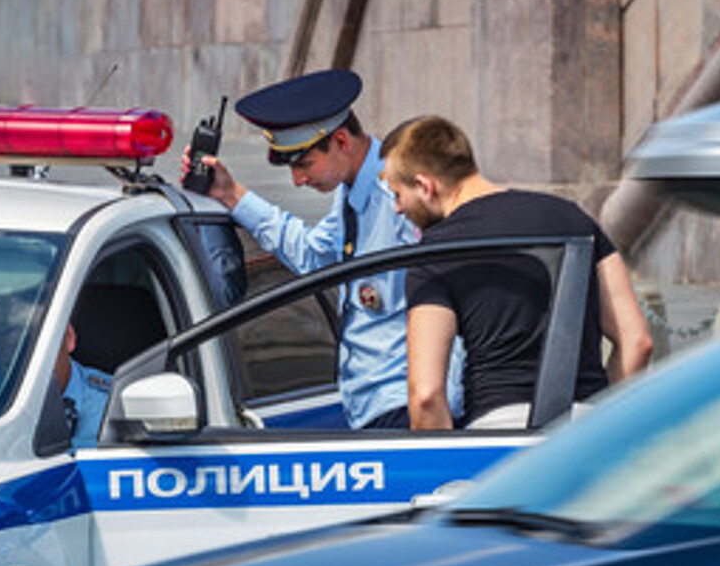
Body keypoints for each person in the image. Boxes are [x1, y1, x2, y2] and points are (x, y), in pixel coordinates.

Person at [182, 69, 462, 429]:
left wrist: (438, 423)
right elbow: (315, 256)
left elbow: (455, 301)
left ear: (342, 141)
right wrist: (230, 194)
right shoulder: (351, 190)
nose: (297, 180)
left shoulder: (398, 198)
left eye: (303, 164)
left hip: (407, 416)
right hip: (374, 411)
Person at [379, 114, 653, 430]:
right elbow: (637, 340)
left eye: (398, 195)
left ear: (425, 185)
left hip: (498, 432)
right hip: (586, 431)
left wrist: (446, 466)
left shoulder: (435, 253)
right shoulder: (572, 218)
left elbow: (426, 395)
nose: (398, 209)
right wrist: (603, 422)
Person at [54, 323, 112, 449]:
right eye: (8, 338)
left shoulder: (114, 404)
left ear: (68, 338)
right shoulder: (2, 407)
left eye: (35, 338)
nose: (24, 355)